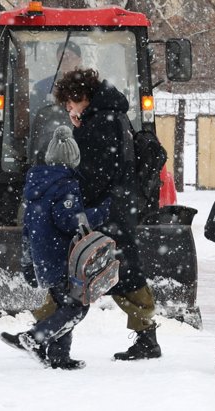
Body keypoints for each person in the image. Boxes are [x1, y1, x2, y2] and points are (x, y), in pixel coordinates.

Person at [51, 68, 161, 361]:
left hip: (106, 209)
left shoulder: (100, 122)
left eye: (69, 103)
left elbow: (93, 173)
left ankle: (46, 333)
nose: (68, 109)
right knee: (122, 270)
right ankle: (146, 336)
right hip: (119, 205)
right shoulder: (114, 115)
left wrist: (74, 202)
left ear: (82, 96)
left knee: (79, 270)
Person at [1, 126, 109, 370]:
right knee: (76, 309)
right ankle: (33, 337)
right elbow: (68, 220)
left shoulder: (37, 185)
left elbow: (27, 229)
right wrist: (101, 212)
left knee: (64, 306)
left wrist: (29, 263)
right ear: (74, 159)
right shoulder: (65, 184)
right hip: (61, 257)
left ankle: (59, 356)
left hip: (44, 257)